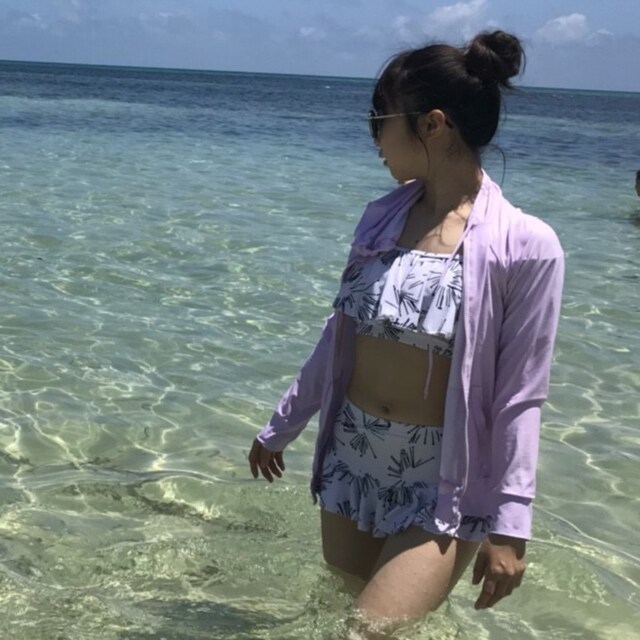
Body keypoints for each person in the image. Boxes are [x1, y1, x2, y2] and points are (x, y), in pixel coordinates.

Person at [249, 30, 565, 637]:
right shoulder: (381, 217)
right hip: (352, 459)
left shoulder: (527, 246)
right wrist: (283, 423)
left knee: (360, 633)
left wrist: (511, 524)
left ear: (432, 125)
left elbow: (520, 395)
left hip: (440, 485)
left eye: (380, 121)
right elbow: (340, 334)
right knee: (338, 614)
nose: (374, 139)